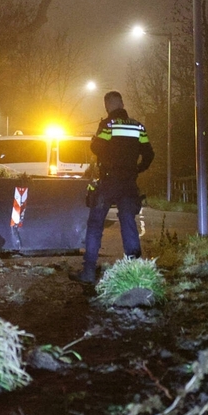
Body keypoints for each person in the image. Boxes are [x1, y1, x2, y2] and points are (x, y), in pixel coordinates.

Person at [71, 91, 154, 284]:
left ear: (107, 106)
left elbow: (96, 148)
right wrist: (137, 169)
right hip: (128, 183)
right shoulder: (138, 127)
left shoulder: (107, 125)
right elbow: (149, 154)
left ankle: (89, 272)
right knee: (128, 222)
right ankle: (134, 273)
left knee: (95, 224)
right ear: (123, 104)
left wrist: (98, 144)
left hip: (108, 181)